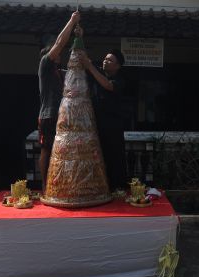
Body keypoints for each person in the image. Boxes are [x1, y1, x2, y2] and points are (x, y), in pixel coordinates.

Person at [37, 11, 80, 194]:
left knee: (61, 151)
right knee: (47, 149)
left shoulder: (58, 72)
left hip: (62, 117)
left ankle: (58, 184)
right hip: (48, 115)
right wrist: (71, 21)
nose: (59, 54)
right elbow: (60, 43)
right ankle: (45, 186)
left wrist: (79, 38)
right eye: (57, 53)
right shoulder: (45, 64)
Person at [79, 49, 127, 190]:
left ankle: (117, 189)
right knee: (97, 158)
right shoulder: (97, 70)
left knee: (114, 157)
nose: (105, 61)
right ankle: (100, 188)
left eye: (110, 60)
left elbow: (107, 85)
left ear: (117, 66)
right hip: (95, 125)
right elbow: (83, 57)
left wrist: (90, 67)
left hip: (113, 126)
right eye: (105, 58)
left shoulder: (120, 80)